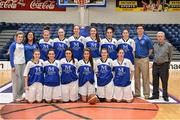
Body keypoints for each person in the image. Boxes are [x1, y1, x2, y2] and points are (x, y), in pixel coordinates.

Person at [149, 31, 172, 102]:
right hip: (155, 65)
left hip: (164, 65)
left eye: (161, 36)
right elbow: (152, 54)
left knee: (164, 81)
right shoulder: (154, 45)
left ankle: (165, 95)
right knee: (155, 81)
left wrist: (167, 64)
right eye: (158, 36)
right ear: (157, 37)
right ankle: (155, 95)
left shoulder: (169, 45)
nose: (160, 38)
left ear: (164, 37)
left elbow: (170, 56)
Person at [134, 24, 153, 99]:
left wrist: (146, 56)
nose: (139, 30)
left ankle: (146, 93)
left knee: (145, 77)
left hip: (144, 59)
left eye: (141, 28)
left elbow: (150, 49)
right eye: (138, 29)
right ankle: (137, 93)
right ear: (136, 30)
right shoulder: (134, 39)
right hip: (136, 59)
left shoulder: (147, 39)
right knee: (136, 77)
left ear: (143, 30)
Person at [9, 31, 26, 102]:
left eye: (21, 37)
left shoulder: (23, 45)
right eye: (19, 37)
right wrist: (12, 65)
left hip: (23, 64)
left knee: (22, 81)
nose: (20, 38)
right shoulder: (13, 45)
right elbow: (11, 56)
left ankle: (20, 96)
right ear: (16, 37)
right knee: (16, 82)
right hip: (16, 64)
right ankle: (15, 97)